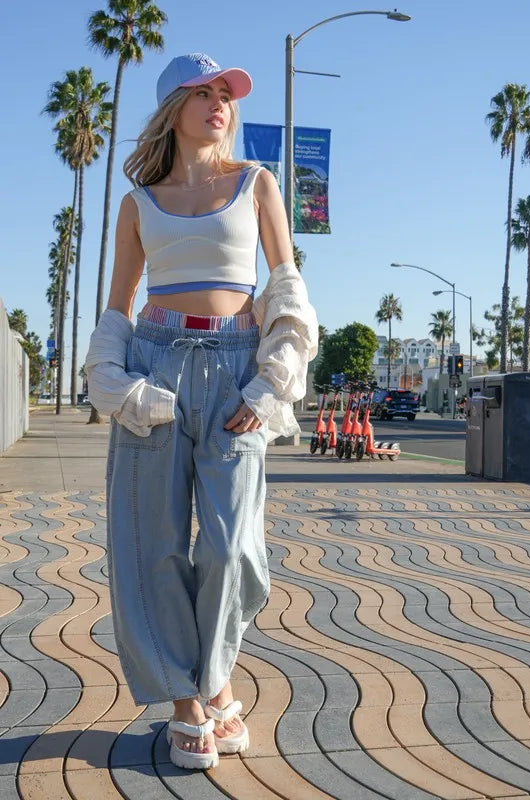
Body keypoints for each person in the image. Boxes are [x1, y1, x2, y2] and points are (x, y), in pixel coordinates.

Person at [86, 53, 318, 771]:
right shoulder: (138, 202)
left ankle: (213, 677)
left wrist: (271, 382)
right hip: (155, 363)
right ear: (172, 109)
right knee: (150, 541)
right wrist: (114, 381)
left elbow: (285, 285)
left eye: (226, 94)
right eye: (203, 93)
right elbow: (119, 304)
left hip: (235, 367)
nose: (219, 103)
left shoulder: (256, 182)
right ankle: (191, 702)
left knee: (230, 545)